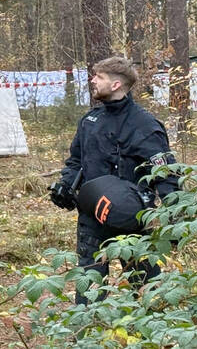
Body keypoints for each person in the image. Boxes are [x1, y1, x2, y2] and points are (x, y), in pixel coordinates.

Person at [48, 56, 178, 305]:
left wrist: (173, 218)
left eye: (99, 77)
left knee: (146, 289)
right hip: (92, 216)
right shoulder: (89, 121)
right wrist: (66, 184)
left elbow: (167, 174)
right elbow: (76, 161)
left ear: (116, 84)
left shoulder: (145, 125)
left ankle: (151, 338)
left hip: (135, 221)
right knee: (89, 287)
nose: (93, 80)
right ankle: (86, 337)